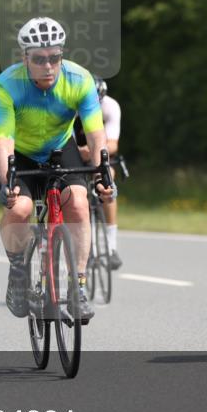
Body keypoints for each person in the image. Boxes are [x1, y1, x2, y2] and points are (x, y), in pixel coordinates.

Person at [0, 16, 116, 321]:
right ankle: (18, 270)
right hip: (21, 154)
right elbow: (3, 141)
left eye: (54, 58)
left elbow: (96, 133)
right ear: (25, 58)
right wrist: (7, 183)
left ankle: (79, 286)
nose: (48, 66)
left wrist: (102, 173)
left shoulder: (79, 79)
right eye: (39, 59)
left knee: (77, 200)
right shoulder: (6, 85)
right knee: (19, 209)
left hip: (63, 149)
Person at [75, 76, 124, 269]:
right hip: (75, 154)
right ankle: (88, 249)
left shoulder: (111, 106)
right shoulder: (70, 107)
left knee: (108, 178)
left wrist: (94, 150)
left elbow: (113, 144)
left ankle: (111, 247)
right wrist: (80, 151)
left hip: (100, 152)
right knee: (78, 196)